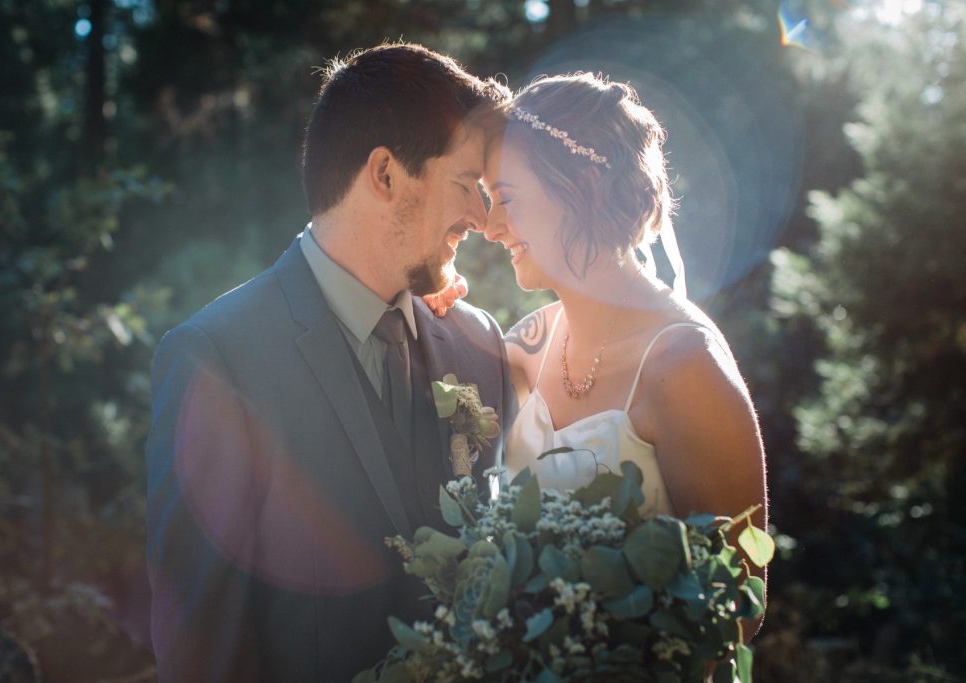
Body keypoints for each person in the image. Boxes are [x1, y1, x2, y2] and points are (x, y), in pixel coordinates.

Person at [145, 43, 517, 682]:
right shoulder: (217, 360)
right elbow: (202, 645)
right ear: (385, 174)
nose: (481, 218)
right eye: (465, 185)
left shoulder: (479, 345)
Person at [480, 73, 767, 613]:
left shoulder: (685, 366)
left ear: (583, 185)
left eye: (506, 198)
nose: (490, 226)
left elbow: (736, 607)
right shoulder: (522, 350)